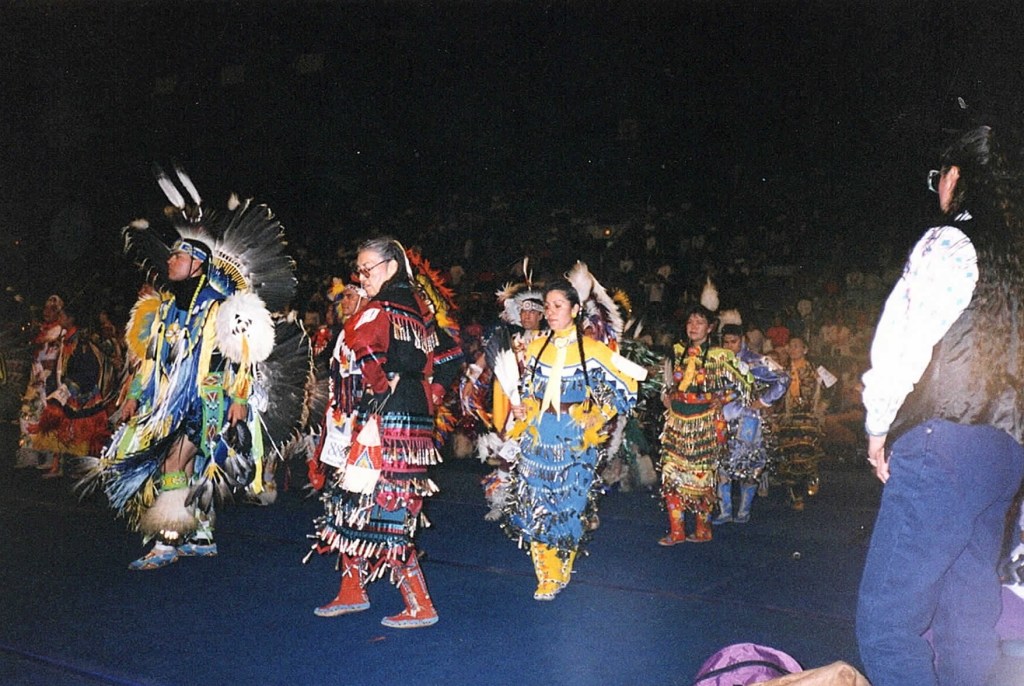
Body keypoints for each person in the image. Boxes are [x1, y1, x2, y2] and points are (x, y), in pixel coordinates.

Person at [856, 125, 1024, 686]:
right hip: (1005, 454)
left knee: (885, 624)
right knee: (966, 621)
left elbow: (903, 339)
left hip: (944, 443)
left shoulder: (948, 242)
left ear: (955, 177)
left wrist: (878, 425)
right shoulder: (1017, 263)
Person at [78, 167, 298, 571]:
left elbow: (242, 354)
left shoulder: (220, 305)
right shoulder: (165, 309)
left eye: (179, 255)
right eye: (173, 254)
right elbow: (153, 359)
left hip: (207, 402)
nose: (172, 260)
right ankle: (201, 536)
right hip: (170, 403)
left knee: (172, 464)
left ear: (197, 263)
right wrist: (132, 396)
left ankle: (167, 539)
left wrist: (237, 399)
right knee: (191, 465)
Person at [308, 237, 460, 629]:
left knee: (387, 507)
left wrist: (381, 385)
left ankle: (420, 604)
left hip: (386, 424)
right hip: (392, 422)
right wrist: (430, 394)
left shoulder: (381, 310)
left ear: (392, 266)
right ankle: (352, 589)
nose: (361, 277)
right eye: (358, 270)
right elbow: (448, 356)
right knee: (352, 502)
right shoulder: (419, 309)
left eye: (367, 269)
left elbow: (369, 351)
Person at [504, 277, 646, 600]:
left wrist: (600, 415)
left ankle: (560, 571)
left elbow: (628, 386)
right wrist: (523, 406)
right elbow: (527, 388)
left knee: (567, 506)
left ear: (576, 309)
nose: (550, 313)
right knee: (536, 504)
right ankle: (545, 575)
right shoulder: (537, 346)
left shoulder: (593, 350)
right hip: (538, 436)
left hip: (573, 438)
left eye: (558, 306)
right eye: (547, 307)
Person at [658, 296, 751, 544]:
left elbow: (747, 383)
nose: (693, 326)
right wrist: (666, 394)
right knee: (671, 474)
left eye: (700, 322)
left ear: (710, 328)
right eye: (690, 322)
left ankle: (702, 529)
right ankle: (676, 530)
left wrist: (724, 398)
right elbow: (667, 381)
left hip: (703, 424)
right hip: (677, 422)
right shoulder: (677, 351)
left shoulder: (721, 356)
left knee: (701, 476)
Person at [21, 306, 113, 479]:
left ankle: (81, 467)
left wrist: (71, 387)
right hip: (64, 387)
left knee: (81, 432)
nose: (59, 317)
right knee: (59, 426)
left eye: (62, 315)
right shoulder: (66, 339)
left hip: (80, 392)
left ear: (71, 319)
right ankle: (57, 466)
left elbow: (89, 368)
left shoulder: (82, 341)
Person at [715, 312, 789, 524]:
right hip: (722, 419)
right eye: (726, 342)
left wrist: (764, 401)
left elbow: (783, 377)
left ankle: (744, 510)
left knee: (749, 465)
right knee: (721, 464)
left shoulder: (756, 361)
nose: (730, 346)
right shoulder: (715, 361)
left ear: (743, 340)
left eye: (734, 341)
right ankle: (725, 511)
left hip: (748, 420)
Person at [774, 336, 827, 511]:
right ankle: (796, 496)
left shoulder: (815, 370)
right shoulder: (782, 370)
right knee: (791, 457)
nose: (793, 349)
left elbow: (833, 387)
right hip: (788, 420)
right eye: (791, 346)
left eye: (797, 346)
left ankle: (811, 478)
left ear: (805, 349)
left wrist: (822, 406)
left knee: (807, 454)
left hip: (808, 419)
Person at [16, 294, 66, 471]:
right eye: (45, 308)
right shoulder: (40, 330)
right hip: (36, 378)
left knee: (48, 418)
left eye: (52, 309)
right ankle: (29, 455)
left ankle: (50, 457)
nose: (47, 312)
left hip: (51, 380)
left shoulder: (60, 330)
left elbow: (57, 358)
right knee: (27, 415)